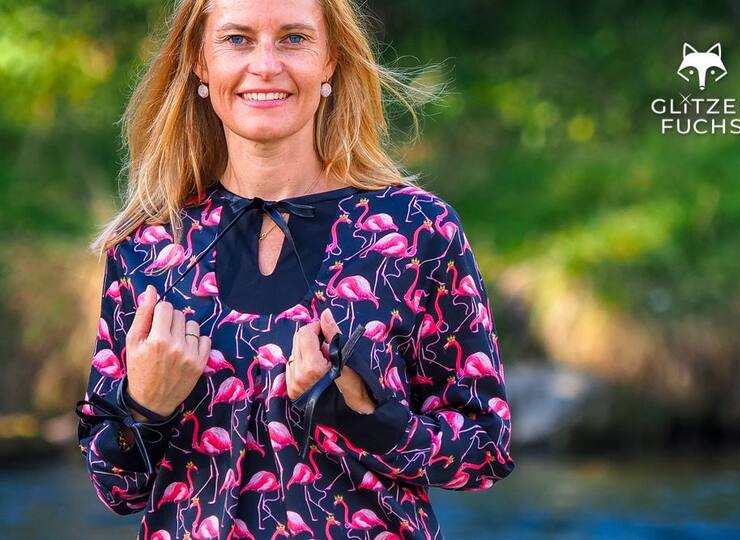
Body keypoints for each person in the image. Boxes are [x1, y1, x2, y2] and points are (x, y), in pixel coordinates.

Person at [74, 0, 515, 538]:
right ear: (199, 63)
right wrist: (144, 409)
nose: (265, 65)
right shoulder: (148, 246)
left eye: (293, 38)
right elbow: (116, 489)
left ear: (330, 60)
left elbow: (486, 449)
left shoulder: (415, 229)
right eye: (237, 39)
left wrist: (362, 415)